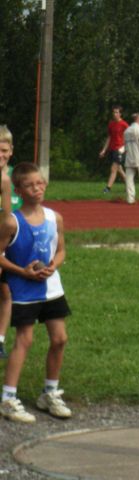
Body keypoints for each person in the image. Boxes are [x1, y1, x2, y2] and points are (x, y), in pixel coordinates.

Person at [0, 162, 72, 423]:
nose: (37, 188)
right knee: (25, 340)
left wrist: (54, 265)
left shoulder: (55, 217)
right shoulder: (11, 222)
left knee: (60, 338)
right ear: (18, 189)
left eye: (40, 183)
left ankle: (50, 393)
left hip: (51, 288)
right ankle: (8, 398)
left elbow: (61, 249)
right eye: (30, 185)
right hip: (23, 288)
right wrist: (22, 271)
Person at [0, 126, 17, 359]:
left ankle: (1, 340)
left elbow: (12, 219)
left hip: (6, 242)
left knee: (5, 292)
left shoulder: (13, 178)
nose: (0, 154)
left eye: (4, 150)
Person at [99, 105, 128, 194]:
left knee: (113, 169)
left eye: (117, 112)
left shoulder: (124, 124)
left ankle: (108, 188)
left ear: (120, 114)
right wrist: (104, 150)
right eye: (114, 112)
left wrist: (125, 148)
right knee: (119, 169)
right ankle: (129, 186)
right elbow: (109, 137)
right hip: (112, 148)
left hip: (120, 149)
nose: (115, 114)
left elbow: (129, 137)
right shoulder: (111, 124)